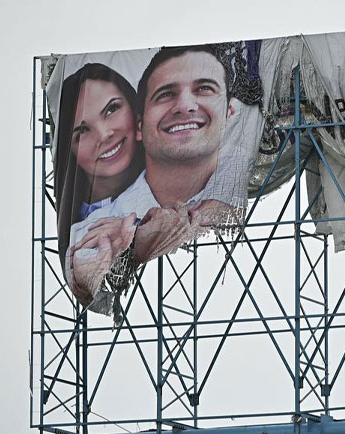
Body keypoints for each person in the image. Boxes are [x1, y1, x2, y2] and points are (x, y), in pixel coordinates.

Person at [70, 45, 256, 305]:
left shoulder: (237, 202)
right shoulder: (96, 227)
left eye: (204, 89)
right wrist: (94, 272)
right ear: (139, 125)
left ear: (229, 113)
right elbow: (79, 269)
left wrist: (154, 231)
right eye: (166, 94)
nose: (185, 106)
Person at [53, 63, 144, 304]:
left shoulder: (166, 193)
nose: (104, 134)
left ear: (137, 118)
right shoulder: (76, 230)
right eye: (82, 130)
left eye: (112, 109)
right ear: (70, 150)